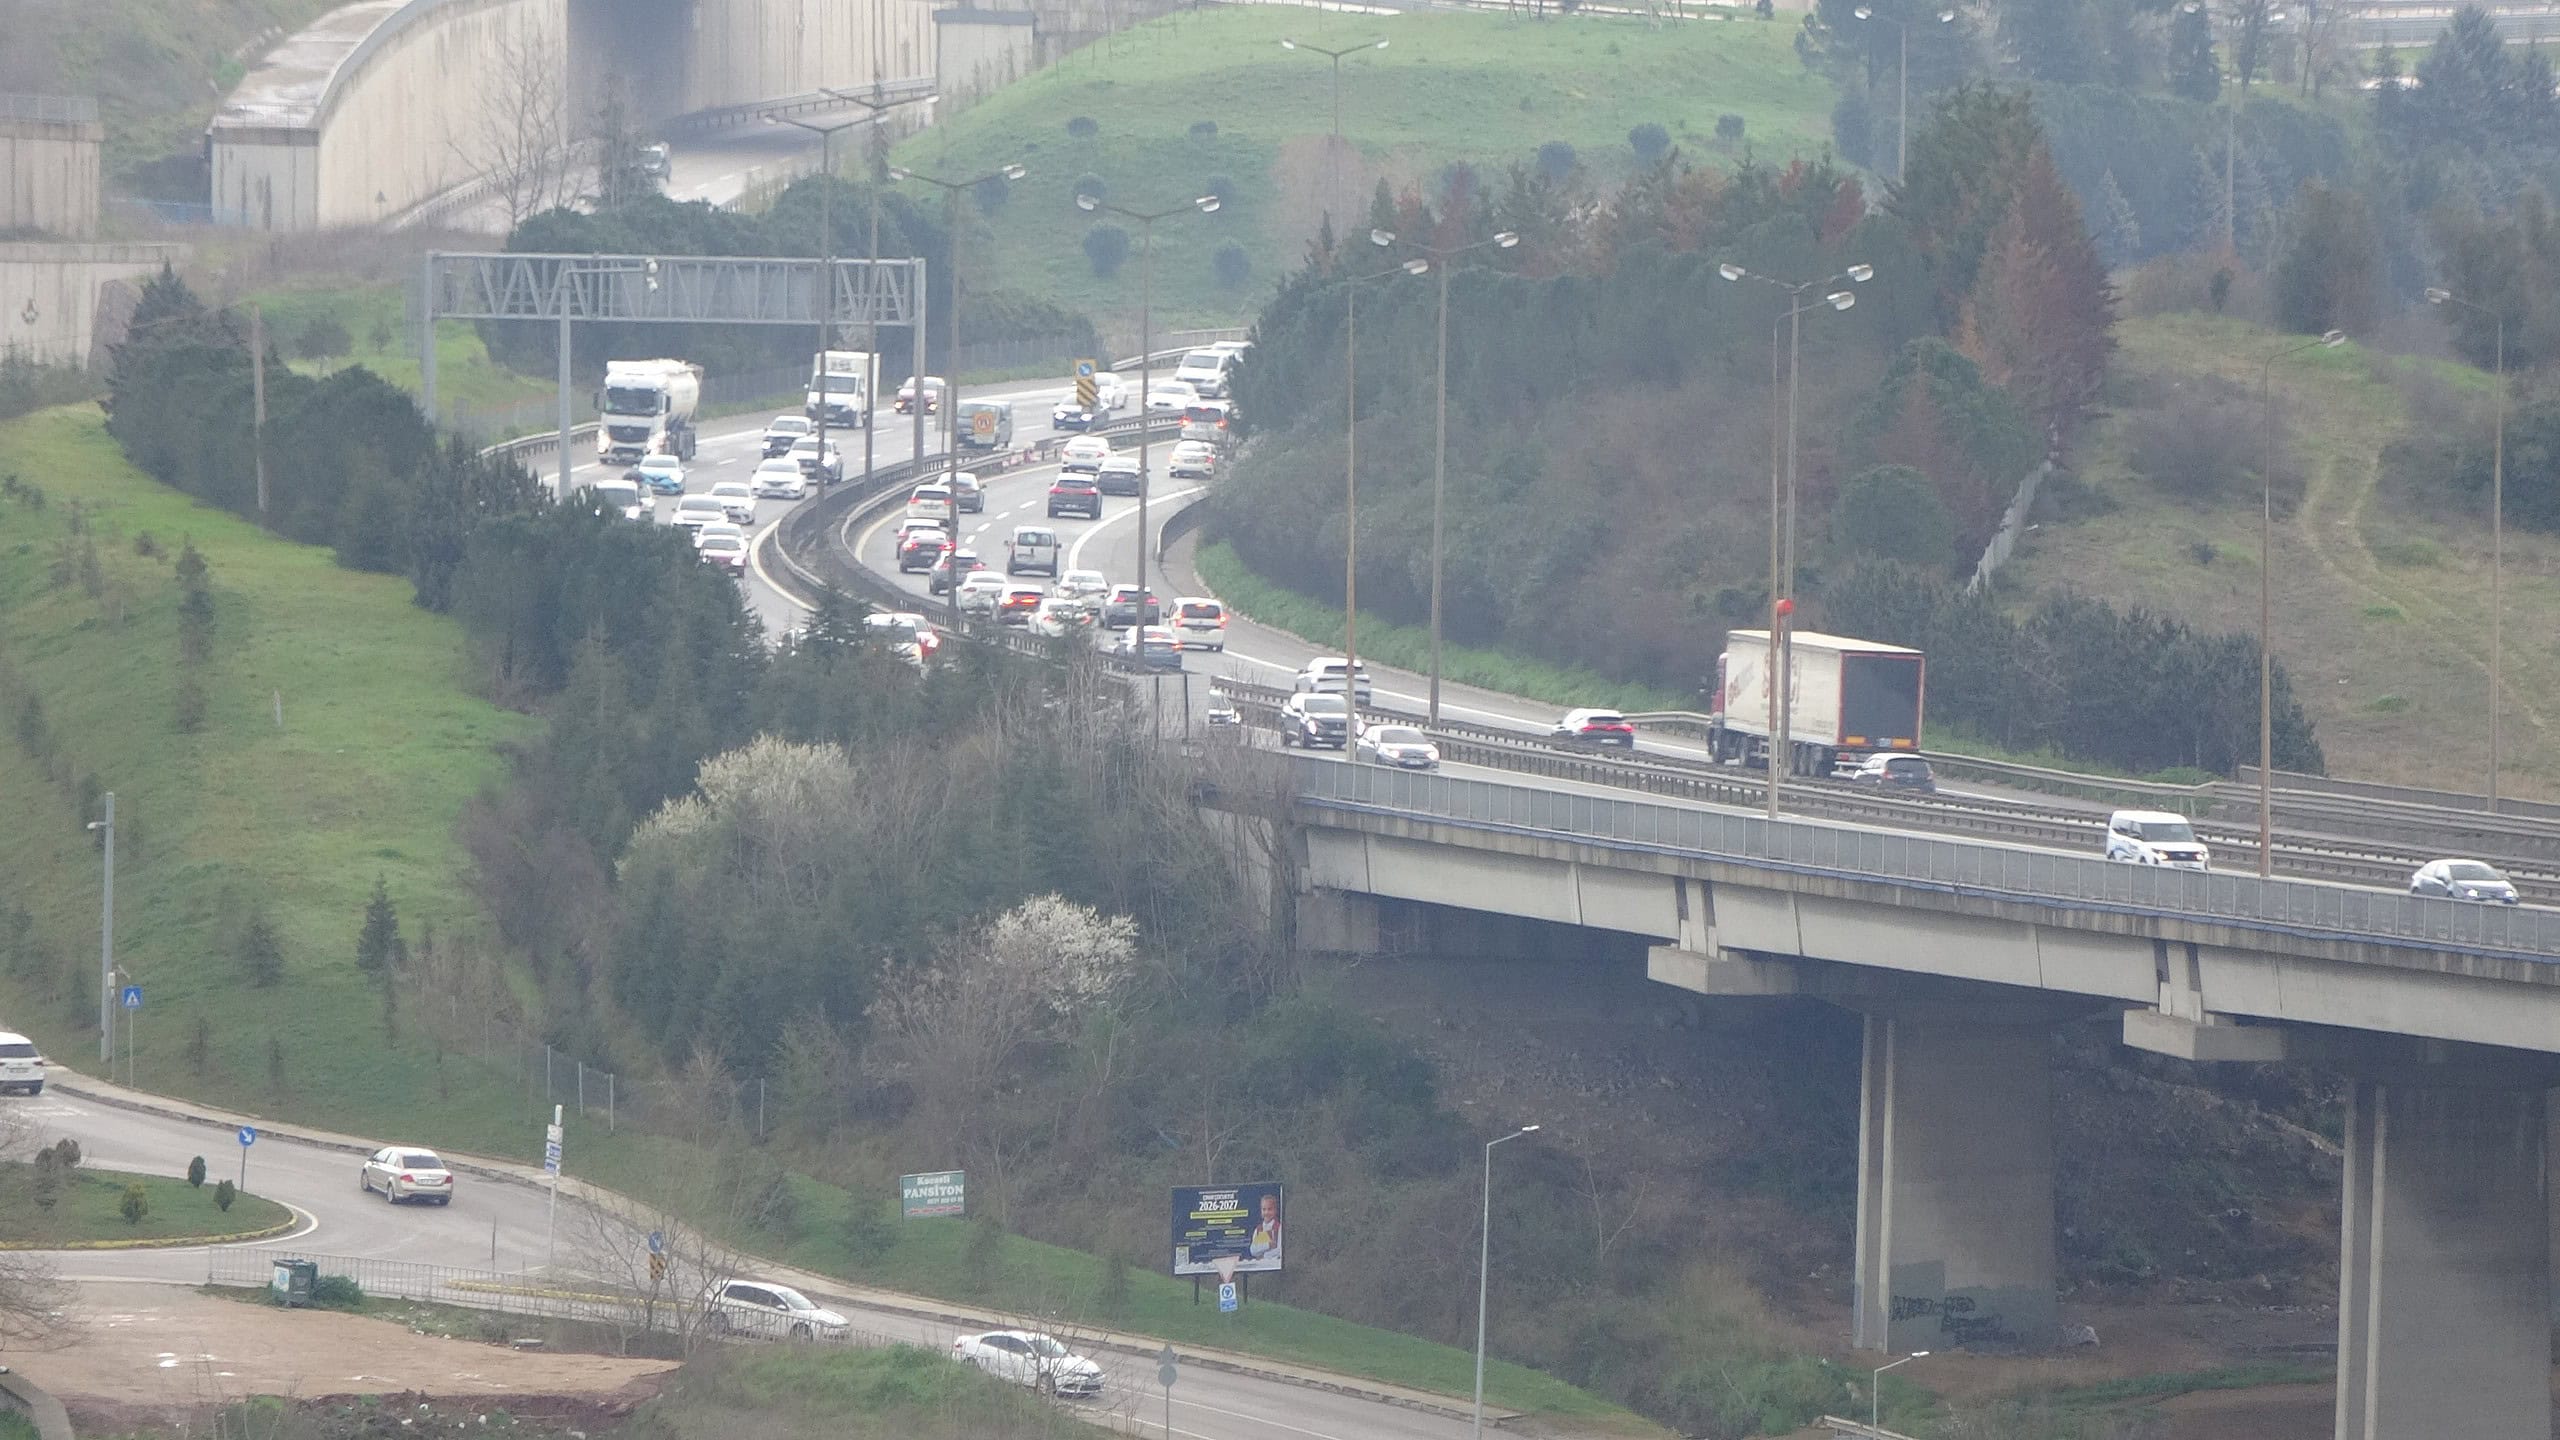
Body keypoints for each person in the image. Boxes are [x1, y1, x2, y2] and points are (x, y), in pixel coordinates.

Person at [1246, 1192, 1281, 1264]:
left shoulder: (1279, 1228)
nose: (1266, 1212)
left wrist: (1263, 1255)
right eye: (1264, 1209)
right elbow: (1253, 1250)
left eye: (1269, 1209)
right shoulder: (1258, 1229)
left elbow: (1280, 1250)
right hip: (1260, 1266)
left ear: (1275, 1210)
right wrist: (1268, 1245)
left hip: (1275, 1265)